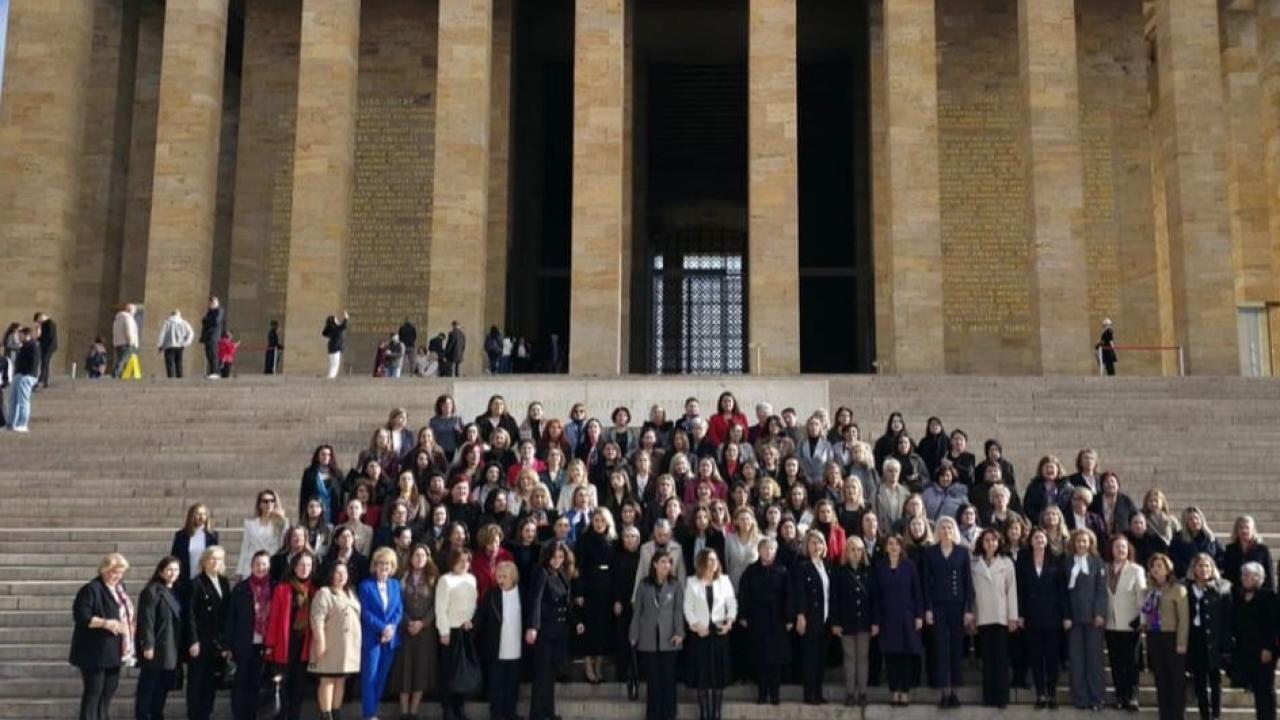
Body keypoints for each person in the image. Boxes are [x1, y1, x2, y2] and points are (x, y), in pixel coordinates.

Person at [70, 553, 134, 720]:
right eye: (114, 572)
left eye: (121, 573)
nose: (118, 576)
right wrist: (106, 623)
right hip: (94, 652)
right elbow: (81, 617)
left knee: (108, 692)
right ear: (104, 570)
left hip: (115, 650)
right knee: (94, 693)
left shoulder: (120, 588)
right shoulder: (91, 589)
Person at [922, 516, 974, 708]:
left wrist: (969, 609)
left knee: (956, 648)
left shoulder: (962, 553)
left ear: (954, 531)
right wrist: (927, 608)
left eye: (949, 527)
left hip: (958, 605)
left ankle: (955, 692)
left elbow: (967, 583)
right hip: (937, 606)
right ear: (938, 531)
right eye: (943, 527)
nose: (946, 531)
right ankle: (944, 691)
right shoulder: (930, 553)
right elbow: (926, 583)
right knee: (940, 649)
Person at [527, 541, 583, 720]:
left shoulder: (561, 575)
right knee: (542, 674)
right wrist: (533, 627)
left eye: (560, 557)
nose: (557, 560)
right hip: (544, 630)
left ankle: (548, 712)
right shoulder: (541, 572)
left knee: (550, 674)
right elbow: (535, 600)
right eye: (554, 557)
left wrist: (575, 622)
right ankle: (537, 714)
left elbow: (566, 603)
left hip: (558, 631)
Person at [736, 537, 792, 705]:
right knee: (760, 660)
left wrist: (789, 618)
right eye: (765, 549)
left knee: (775, 661)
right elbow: (744, 594)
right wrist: (743, 615)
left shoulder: (782, 571)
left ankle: (774, 695)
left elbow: (789, 596)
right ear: (759, 551)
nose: (768, 552)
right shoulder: (751, 571)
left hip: (777, 621)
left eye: (771, 549)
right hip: (757, 621)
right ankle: (762, 694)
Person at [630, 549, 684, 720]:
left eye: (668, 562)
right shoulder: (644, 584)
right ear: (654, 564)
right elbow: (638, 611)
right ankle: (653, 715)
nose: (666, 565)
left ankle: (669, 714)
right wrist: (633, 634)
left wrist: (679, 632)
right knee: (653, 680)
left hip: (670, 638)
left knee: (668, 679)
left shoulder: (675, 585)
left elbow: (678, 610)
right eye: (662, 562)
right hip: (649, 638)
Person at [1016, 528, 1067, 709]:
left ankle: (1052, 693)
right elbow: (1020, 591)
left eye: (1042, 538)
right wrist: (1020, 614)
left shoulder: (1056, 562)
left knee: (1052, 657)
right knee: (1036, 657)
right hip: (1031, 616)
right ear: (1031, 541)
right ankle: (1041, 694)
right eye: (1036, 537)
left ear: (1047, 541)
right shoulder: (1023, 563)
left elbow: (1062, 591)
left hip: (1053, 617)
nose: (1039, 540)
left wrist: (1066, 615)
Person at [682, 548, 735, 720]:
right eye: (709, 560)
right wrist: (695, 625)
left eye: (715, 559)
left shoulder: (724, 580)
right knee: (703, 674)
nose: (713, 563)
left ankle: (717, 713)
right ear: (702, 562)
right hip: (701, 633)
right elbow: (687, 607)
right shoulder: (692, 582)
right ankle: (704, 713)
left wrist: (729, 622)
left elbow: (732, 603)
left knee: (718, 675)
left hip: (719, 632)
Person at [872, 534, 923, 707]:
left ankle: (905, 692)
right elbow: (876, 596)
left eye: (897, 544)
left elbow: (917, 592)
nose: (893, 547)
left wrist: (918, 616)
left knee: (906, 656)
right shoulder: (880, 567)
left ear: (901, 547)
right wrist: (877, 619)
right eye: (890, 544)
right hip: (887, 617)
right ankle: (894, 691)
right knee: (891, 656)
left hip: (907, 617)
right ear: (886, 547)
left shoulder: (910, 566)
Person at [265, 551, 316, 720]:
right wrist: (270, 644)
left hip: (304, 645)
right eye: (301, 565)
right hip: (284, 644)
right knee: (282, 686)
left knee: (298, 687)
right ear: (294, 567)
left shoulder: (314, 590)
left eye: (308, 565)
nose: (305, 568)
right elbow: (273, 618)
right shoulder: (282, 588)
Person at [970, 528, 1017, 708]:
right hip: (983, 616)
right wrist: (972, 616)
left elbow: (1011, 591)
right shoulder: (975, 564)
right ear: (982, 543)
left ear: (999, 543)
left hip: (1001, 616)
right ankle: (988, 697)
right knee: (987, 660)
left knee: (1001, 659)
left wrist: (1013, 616)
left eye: (994, 540)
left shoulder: (1006, 563)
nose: (990, 543)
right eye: (987, 540)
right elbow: (972, 595)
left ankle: (1001, 698)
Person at [310, 561, 362, 720]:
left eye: (344, 573)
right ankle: (326, 715)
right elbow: (317, 619)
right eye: (338, 573)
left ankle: (336, 713)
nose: (342, 577)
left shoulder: (350, 593)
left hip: (347, 647)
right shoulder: (324, 593)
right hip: (329, 644)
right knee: (327, 680)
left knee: (340, 681)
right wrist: (320, 642)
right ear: (331, 575)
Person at [225, 550, 273, 720]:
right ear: (251, 566)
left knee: (256, 685)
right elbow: (231, 618)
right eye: (257, 564)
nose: (261, 568)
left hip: (265, 645)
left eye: (264, 565)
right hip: (243, 644)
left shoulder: (275, 588)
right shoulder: (241, 588)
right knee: (240, 684)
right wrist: (228, 645)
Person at [186, 547, 232, 720]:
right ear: (204, 561)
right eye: (212, 558)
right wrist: (193, 641)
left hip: (216, 643)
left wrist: (226, 643)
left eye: (219, 559)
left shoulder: (224, 582)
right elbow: (190, 615)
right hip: (200, 642)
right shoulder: (196, 583)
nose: (216, 562)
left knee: (210, 684)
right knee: (196, 683)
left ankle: (206, 715)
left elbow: (227, 613)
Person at [1227, 562, 1277, 720]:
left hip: (1264, 651)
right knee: (1254, 688)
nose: (1245, 578)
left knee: (1264, 690)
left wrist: (1269, 648)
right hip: (1245, 650)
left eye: (1249, 575)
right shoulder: (1239, 597)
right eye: (1244, 575)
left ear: (1259, 578)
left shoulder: (1269, 596)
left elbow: (1273, 624)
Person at [1142, 553, 1189, 720]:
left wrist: (1181, 642)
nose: (1156, 570)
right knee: (1160, 679)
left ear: (1168, 569)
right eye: (1153, 567)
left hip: (1172, 637)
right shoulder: (1150, 589)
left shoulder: (1178, 589)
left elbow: (1183, 619)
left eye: (1160, 566)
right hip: (1155, 636)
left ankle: (1177, 715)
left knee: (1176, 680)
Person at [358, 548, 403, 720]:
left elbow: (399, 610)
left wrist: (391, 628)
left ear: (392, 566)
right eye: (381, 563)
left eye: (388, 563)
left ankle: (372, 711)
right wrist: (383, 628)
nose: (384, 566)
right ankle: (369, 715)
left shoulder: (395, 585)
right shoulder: (365, 585)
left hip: (390, 639)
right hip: (372, 638)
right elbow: (366, 613)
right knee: (370, 677)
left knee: (382, 677)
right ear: (375, 565)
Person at [1066, 528, 1108, 711]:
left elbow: (1101, 590)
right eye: (1078, 541)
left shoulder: (1098, 563)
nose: (1081, 544)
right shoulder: (1067, 563)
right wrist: (1066, 615)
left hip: (1093, 618)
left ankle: (1096, 697)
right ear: (1073, 543)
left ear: (1090, 543)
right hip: (1073, 618)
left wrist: (1099, 613)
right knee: (1076, 659)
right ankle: (1080, 698)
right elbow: (1063, 592)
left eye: (1085, 541)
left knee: (1094, 659)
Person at [1104, 534, 1147, 712]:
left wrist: (1142, 621)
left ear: (1128, 549)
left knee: (1131, 663)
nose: (1120, 550)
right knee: (1116, 662)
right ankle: (1120, 695)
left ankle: (1133, 696)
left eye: (1123, 547)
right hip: (1111, 624)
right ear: (1111, 550)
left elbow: (1142, 597)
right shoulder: (1105, 569)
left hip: (1131, 624)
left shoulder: (1136, 570)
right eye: (1116, 547)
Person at [1186, 553, 1231, 720]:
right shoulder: (1187, 588)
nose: (1203, 569)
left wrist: (1226, 645)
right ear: (1194, 569)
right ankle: (1204, 714)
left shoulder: (1222, 588)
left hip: (1215, 640)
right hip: (1195, 639)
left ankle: (1216, 715)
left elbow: (1227, 619)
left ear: (1212, 568)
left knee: (1215, 681)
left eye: (1207, 566)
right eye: (1200, 566)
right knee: (1199, 681)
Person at [475, 560, 522, 720]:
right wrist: (472, 625)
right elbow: (481, 615)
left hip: (516, 645)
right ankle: (496, 714)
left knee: (513, 683)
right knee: (496, 683)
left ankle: (510, 713)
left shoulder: (521, 593)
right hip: (496, 646)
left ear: (513, 577)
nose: (501, 580)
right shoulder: (492, 594)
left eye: (504, 576)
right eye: (499, 576)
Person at [436, 547, 478, 720]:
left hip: (466, 630)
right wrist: (444, 631)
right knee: (450, 672)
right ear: (452, 561)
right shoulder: (445, 580)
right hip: (451, 631)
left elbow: (474, 603)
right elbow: (440, 607)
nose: (464, 564)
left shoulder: (471, 579)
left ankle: (460, 708)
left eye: (467, 561)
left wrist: (472, 620)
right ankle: (448, 709)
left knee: (464, 673)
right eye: (460, 560)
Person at [136, 558, 182, 720]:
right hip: (156, 648)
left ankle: (157, 715)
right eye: (169, 569)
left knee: (162, 688)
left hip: (170, 648)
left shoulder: (174, 591)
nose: (173, 573)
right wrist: (148, 645)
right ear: (160, 571)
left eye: (176, 570)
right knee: (148, 687)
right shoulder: (152, 591)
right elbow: (146, 620)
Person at [169, 503, 219, 601]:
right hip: (186, 579)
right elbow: (174, 557)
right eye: (198, 514)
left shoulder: (212, 536)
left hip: (205, 579)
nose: (201, 517)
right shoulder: (181, 536)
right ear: (191, 515)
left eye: (204, 514)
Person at [236, 490, 288, 582]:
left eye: (272, 501)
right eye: (265, 501)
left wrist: (282, 520)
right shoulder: (250, 524)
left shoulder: (281, 523)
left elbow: (284, 543)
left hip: (271, 565)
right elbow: (245, 547)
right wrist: (239, 571)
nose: (269, 504)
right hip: (252, 565)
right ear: (260, 504)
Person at [1223, 515, 1274, 591]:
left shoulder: (1262, 549)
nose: (1244, 530)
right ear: (1236, 530)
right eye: (1241, 527)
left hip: (1258, 594)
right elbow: (1226, 574)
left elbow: (1269, 574)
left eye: (1247, 527)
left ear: (1253, 530)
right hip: (1236, 594)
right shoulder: (1230, 549)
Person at [6, 326, 38, 432]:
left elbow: (34, 363)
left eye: (21, 335)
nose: (19, 337)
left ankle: (22, 424)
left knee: (23, 401)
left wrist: (27, 376)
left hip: (26, 376)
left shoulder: (33, 346)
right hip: (18, 375)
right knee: (13, 400)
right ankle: (11, 424)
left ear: (27, 335)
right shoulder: (24, 346)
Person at [156, 309, 194, 379]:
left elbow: (162, 334)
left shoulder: (167, 322)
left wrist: (160, 345)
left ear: (171, 314)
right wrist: (186, 342)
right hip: (180, 346)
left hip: (169, 346)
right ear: (179, 315)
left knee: (170, 363)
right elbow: (191, 333)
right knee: (179, 362)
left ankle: (171, 378)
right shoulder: (184, 323)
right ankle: (180, 378)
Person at [200, 296, 226, 378]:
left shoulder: (219, 310)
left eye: (213, 302)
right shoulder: (210, 312)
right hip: (208, 336)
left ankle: (215, 372)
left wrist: (206, 320)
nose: (211, 304)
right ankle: (212, 371)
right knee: (209, 354)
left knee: (213, 354)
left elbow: (216, 321)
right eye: (210, 302)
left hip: (213, 336)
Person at [112, 303, 139, 379]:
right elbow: (128, 330)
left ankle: (121, 375)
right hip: (126, 343)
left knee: (121, 359)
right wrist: (130, 342)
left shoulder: (117, 319)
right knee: (122, 360)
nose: (134, 313)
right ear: (131, 310)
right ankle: (115, 375)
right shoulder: (128, 318)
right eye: (134, 311)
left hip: (118, 343)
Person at [323, 311, 349, 379]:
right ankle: (330, 378)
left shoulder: (330, 329)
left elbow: (324, 333)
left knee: (333, 364)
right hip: (335, 348)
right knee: (335, 365)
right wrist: (346, 318)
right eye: (336, 319)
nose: (337, 320)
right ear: (333, 321)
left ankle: (330, 377)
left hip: (331, 349)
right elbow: (343, 326)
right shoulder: (335, 328)